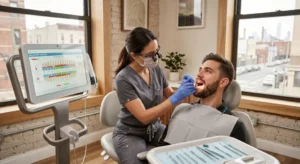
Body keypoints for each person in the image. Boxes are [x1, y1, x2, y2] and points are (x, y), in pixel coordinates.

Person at [112, 27, 196, 164]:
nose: (155, 57)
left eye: (156, 52)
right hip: (130, 133)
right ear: (134, 55)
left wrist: (184, 88)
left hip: (155, 128)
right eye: (150, 54)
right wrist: (175, 98)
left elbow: (169, 94)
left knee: (182, 153)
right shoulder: (123, 79)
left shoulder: (156, 69)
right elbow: (144, 117)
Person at [160, 53, 247, 145]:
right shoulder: (181, 110)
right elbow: (160, 149)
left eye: (208, 71)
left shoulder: (233, 125)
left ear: (223, 82)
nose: (199, 74)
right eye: (200, 70)